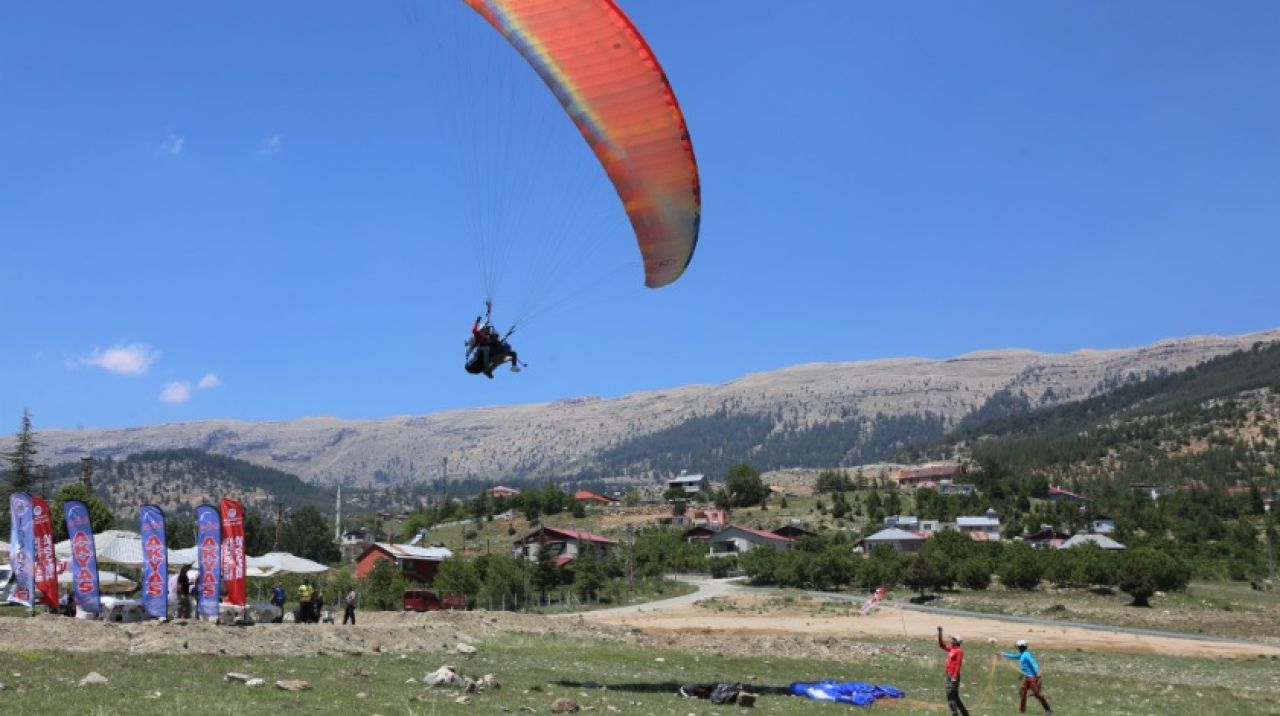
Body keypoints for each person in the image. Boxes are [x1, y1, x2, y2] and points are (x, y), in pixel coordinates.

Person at [1001, 639, 1052, 715]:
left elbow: (1033, 663)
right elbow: (1013, 657)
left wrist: (1037, 672)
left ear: (1022, 647)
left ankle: (1048, 710)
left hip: (1032, 678)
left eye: (1018, 647)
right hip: (1027, 678)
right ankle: (1022, 712)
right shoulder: (1021, 654)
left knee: (1037, 694)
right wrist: (1003, 654)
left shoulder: (1026, 655)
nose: (1017, 648)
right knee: (1022, 693)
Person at [936, 626, 969, 716]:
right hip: (949, 675)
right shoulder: (952, 649)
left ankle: (954, 713)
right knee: (955, 697)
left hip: (953, 677)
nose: (952, 640)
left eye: (954, 639)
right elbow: (941, 645)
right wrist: (940, 633)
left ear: (957, 642)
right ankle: (965, 714)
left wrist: (954, 676)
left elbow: (958, 664)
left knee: (950, 696)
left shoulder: (959, 651)